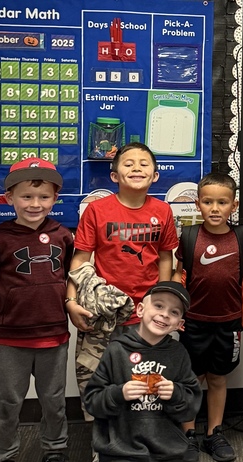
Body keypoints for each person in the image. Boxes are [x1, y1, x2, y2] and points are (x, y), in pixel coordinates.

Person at [0, 158, 74, 462]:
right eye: (27, 197)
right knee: (7, 402)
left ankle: (54, 453)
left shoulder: (63, 235)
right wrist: (10, 311)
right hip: (10, 338)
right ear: (9, 198)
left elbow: (68, 281)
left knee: (54, 401)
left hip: (54, 336)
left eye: (44, 197)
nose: (35, 205)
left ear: (55, 198)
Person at [66, 142, 178, 399]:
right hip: (103, 312)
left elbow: (164, 258)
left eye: (143, 164)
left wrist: (159, 303)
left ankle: (139, 434)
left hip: (144, 313)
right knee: (98, 380)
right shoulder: (97, 210)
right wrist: (70, 301)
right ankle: (102, 436)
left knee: (144, 381)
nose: (136, 168)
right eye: (128, 164)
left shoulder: (163, 211)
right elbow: (80, 260)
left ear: (155, 175)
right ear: (115, 176)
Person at [84, 282, 202, 462]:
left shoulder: (178, 353)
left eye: (174, 312)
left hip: (163, 447)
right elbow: (91, 400)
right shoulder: (117, 350)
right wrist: (120, 393)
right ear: (140, 310)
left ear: (179, 323)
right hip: (122, 445)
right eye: (158, 305)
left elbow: (190, 406)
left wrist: (176, 394)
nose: (164, 314)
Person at [175, 173, 243, 462]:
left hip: (228, 323)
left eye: (222, 202)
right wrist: (174, 313)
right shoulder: (189, 237)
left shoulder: (241, 236)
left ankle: (214, 432)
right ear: (197, 204)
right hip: (193, 321)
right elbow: (178, 277)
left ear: (233, 205)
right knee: (191, 379)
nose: (214, 208)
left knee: (218, 378)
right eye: (208, 202)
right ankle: (188, 434)